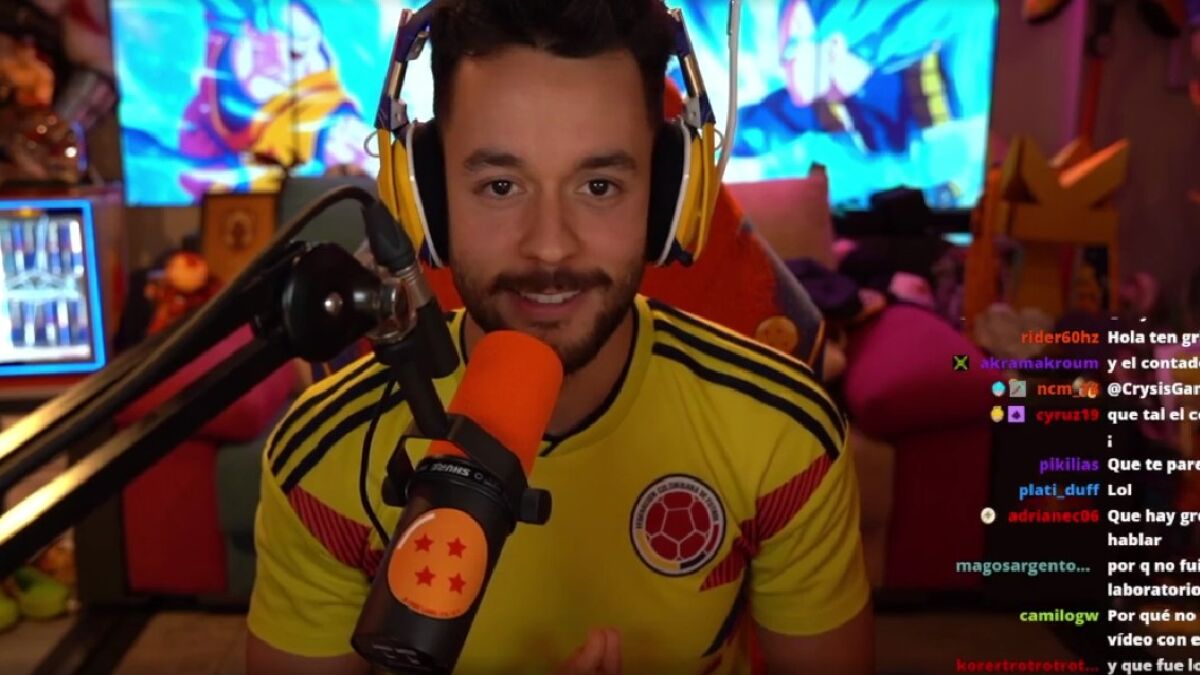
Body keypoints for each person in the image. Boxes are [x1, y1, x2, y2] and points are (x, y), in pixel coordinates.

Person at [246, 1, 872, 673]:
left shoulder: (784, 434)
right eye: (500, 185)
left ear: (667, 195)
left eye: (599, 185)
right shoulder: (322, 458)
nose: (549, 246)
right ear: (426, 196)